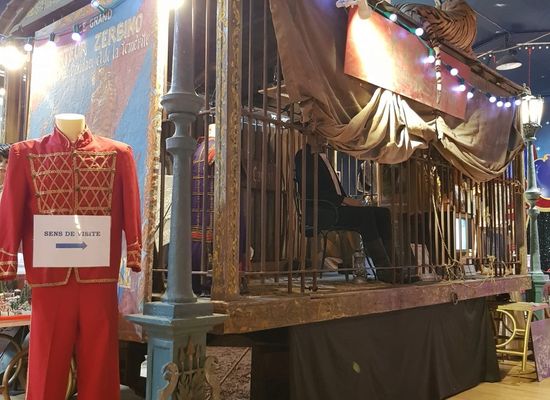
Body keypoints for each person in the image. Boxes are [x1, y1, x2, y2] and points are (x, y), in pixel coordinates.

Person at [295, 143, 396, 283]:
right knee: (365, 216)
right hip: (321, 211)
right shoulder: (304, 156)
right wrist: (344, 200)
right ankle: (385, 271)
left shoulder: (323, 156)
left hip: (334, 207)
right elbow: (310, 191)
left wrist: (344, 200)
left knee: (383, 213)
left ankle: (395, 267)